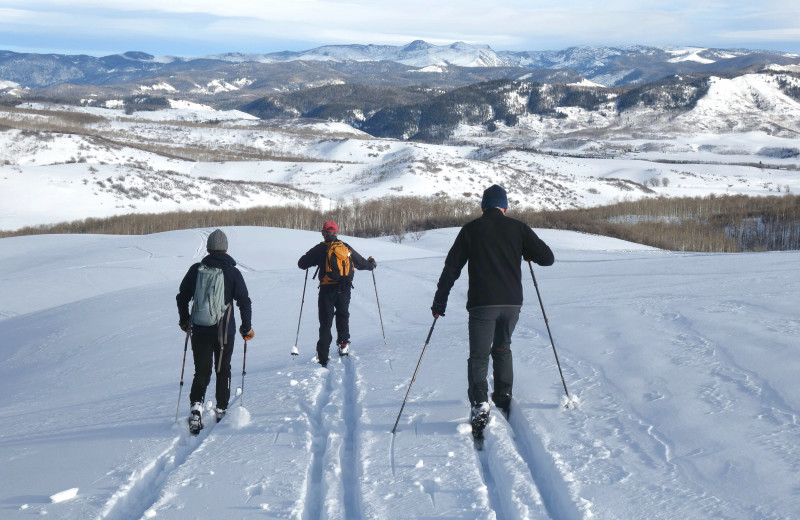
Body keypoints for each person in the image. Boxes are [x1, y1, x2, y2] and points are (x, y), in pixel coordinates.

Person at [431, 184, 554, 439]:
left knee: (478, 356)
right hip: (512, 304)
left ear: (483, 207)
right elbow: (547, 258)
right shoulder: (518, 228)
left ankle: (479, 403)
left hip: (481, 304)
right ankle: (503, 395)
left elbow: (451, 268)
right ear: (505, 208)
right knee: (502, 348)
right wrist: (527, 252)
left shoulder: (471, 230)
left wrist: (439, 301)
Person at [177, 229, 253, 433]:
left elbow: (182, 297)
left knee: (201, 370)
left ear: (208, 248)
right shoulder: (233, 272)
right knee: (223, 368)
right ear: (226, 248)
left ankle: (196, 408)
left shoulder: (196, 270)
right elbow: (244, 302)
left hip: (200, 330)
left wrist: (184, 321)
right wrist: (246, 328)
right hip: (224, 331)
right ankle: (221, 408)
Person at [298, 220, 376, 367]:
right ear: (336, 232)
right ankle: (343, 345)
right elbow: (360, 263)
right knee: (343, 315)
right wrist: (371, 264)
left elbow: (301, 264)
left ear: (324, 233)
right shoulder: (345, 247)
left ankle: (323, 354)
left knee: (326, 321)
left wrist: (313, 260)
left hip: (327, 289)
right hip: (345, 288)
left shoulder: (320, 248)